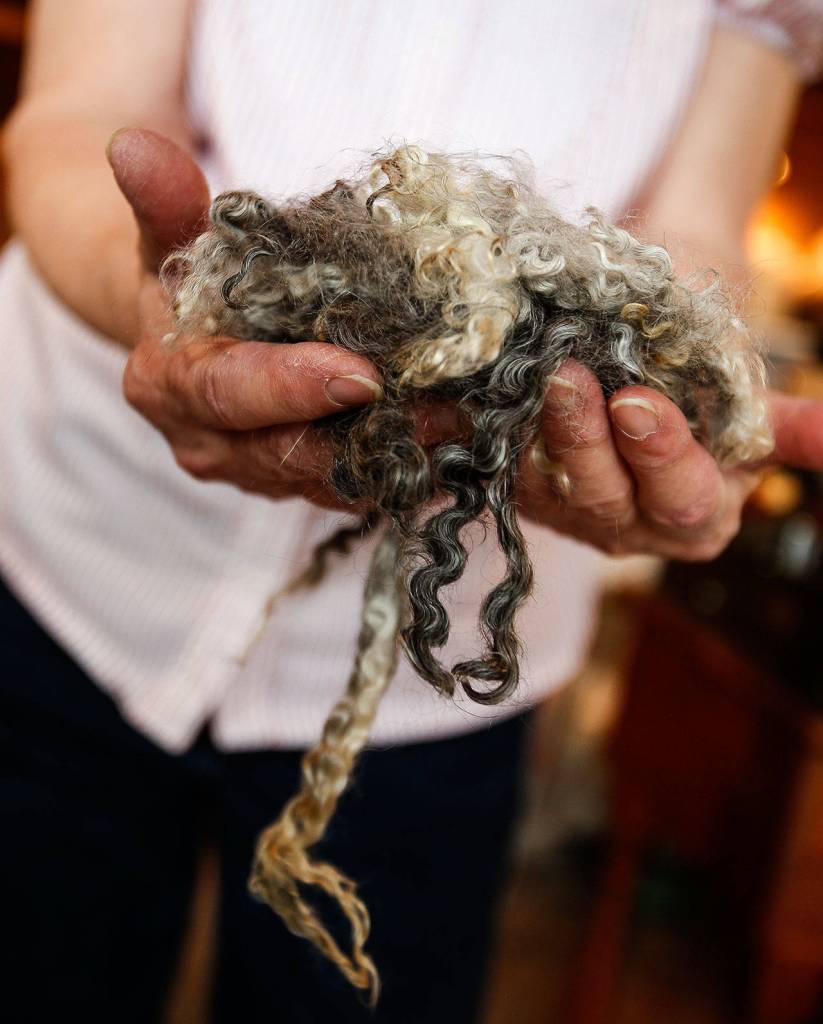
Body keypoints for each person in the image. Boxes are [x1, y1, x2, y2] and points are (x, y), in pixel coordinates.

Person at [2, 1, 822, 1021]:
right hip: (74, 564)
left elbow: (697, 226)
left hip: (430, 696)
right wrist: (158, 300)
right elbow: (81, 113)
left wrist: (690, 388)